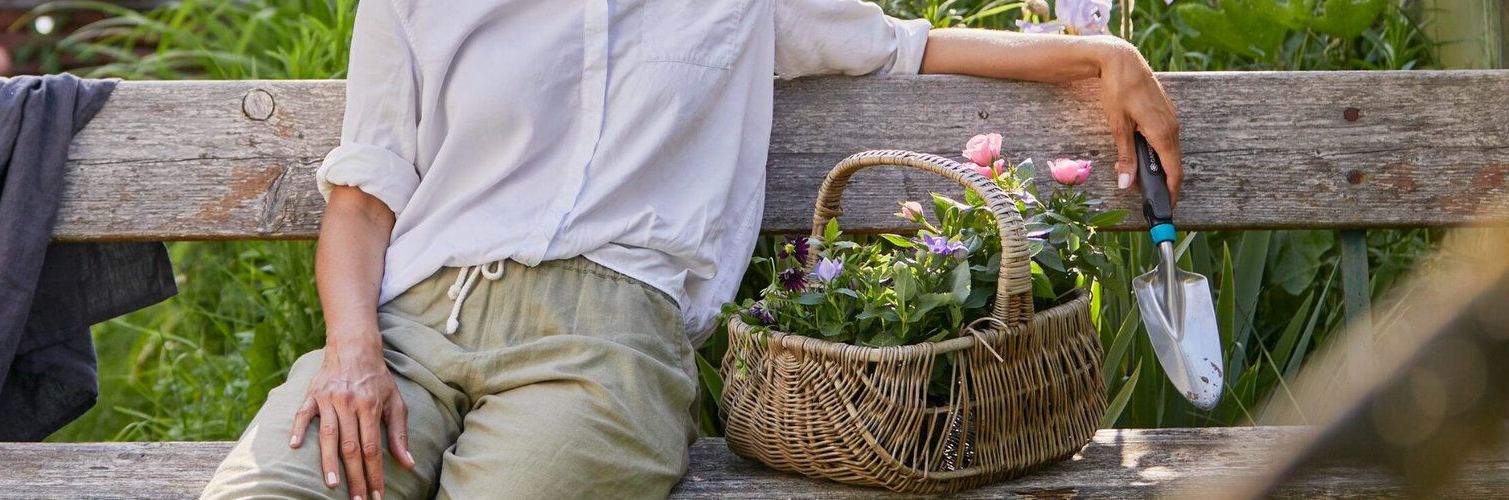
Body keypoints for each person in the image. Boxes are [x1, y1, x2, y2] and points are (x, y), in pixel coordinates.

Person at [201, 0, 1183, 498]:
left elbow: (903, 45)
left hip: (603, 344)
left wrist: (1101, 54)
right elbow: (364, 197)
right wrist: (351, 353)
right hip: (409, 327)